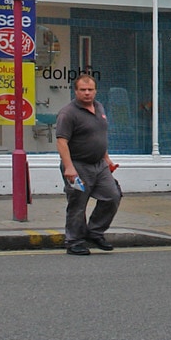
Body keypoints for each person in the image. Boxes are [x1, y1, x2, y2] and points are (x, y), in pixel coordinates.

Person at [54, 73, 121, 255]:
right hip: (78, 165)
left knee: (112, 196)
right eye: (82, 90)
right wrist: (69, 167)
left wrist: (107, 159)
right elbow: (62, 142)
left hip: (99, 165)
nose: (87, 93)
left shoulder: (99, 107)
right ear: (75, 91)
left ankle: (94, 232)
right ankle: (74, 241)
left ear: (95, 91)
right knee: (77, 205)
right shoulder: (68, 113)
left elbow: (99, 136)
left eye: (90, 89)